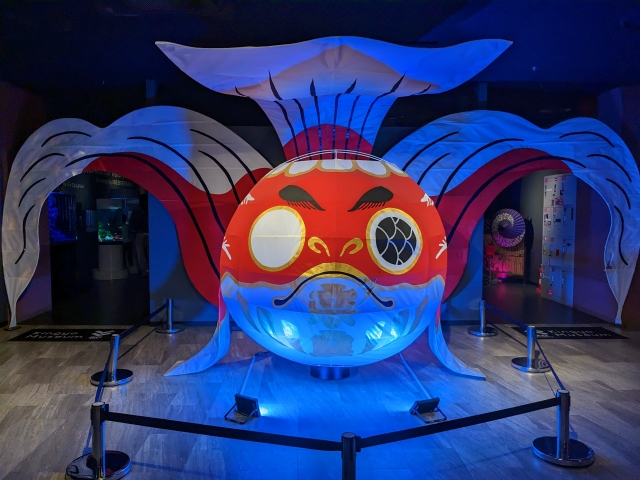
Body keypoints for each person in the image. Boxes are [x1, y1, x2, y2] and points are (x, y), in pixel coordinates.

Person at [128, 196, 149, 277]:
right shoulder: (148, 209)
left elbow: (132, 222)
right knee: (145, 252)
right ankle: (146, 270)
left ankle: (144, 270)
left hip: (140, 233)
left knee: (140, 253)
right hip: (147, 233)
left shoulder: (137, 210)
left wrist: (134, 230)